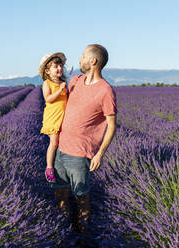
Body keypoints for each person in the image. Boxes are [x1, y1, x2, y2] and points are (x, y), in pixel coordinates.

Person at [51, 44, 117, 235]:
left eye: (82, 56)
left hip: (80, 154)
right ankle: (62, 234)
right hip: (60, 149)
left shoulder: (105, 91)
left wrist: (100, 154)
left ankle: (84, 237)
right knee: (60, 195)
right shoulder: (75, 81)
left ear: (93, 61)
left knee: (81, 198)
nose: (79, 60)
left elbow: (111, 126)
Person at [39, 52, 68, 183]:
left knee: (62, 142)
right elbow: (48, 99)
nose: (59, 69)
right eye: (55, 67)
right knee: (54, 142)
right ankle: (49, 168)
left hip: (63, 117)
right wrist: (60, 90)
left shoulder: (63, 82)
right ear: (47, 71)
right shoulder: (47, 83)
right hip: (53, 118)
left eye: (61, 66)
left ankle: (63, 164)